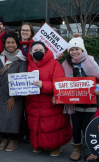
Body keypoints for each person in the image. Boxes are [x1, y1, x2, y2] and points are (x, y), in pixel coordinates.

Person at [25, 41, 72, 157]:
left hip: (50, 102)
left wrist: (43, 85)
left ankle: (57, 146)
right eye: (35, 50)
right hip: (33, 102)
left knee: (52, 125)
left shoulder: (54, 64)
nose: (38, 52)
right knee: (36, 124)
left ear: (45, 51)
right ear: (30, 52)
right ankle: (39, 144)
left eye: (40, 50)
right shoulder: (27, 64)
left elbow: (59, 83)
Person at [61, 33, 99, 161]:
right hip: (74, 104)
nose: (74, 52)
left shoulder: (92, 61)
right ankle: (76, 149)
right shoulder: (66, 64)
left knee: (87, 128)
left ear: (82, 50)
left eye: (77, 49)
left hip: (91, 103)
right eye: (71, 49)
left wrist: (98, 90)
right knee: (76, 127)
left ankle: (89, 150)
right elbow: (62, 84)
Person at [0, 33, 27, 152]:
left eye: (12, 42)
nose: (10, 45)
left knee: (12, 117)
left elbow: (22, 81)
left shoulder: (21, 60)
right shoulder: (0, 57)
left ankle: (13, 140)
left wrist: (14, 97)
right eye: (8, 43)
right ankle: (4, 139)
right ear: (4, 44)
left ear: (17, 44)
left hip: (13, 95)